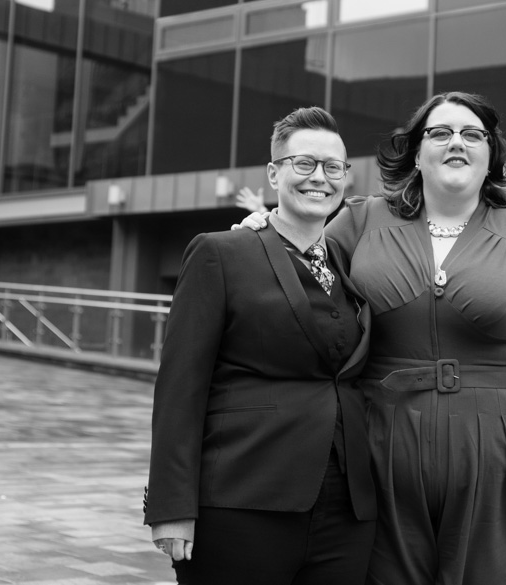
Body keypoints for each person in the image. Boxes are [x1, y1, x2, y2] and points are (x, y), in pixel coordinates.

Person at [242, 92, 506, 585]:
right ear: (416, 152)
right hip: (380, 448)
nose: (456, 143)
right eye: (440, 132)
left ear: (491, 153)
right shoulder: (361, 220)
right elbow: (297, 267)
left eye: (472, 134)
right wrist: (263, 228)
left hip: (499, 451)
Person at [145, 107, 377, 585]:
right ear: (274, 173)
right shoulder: (221, 253)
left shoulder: (348, 261)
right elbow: (180, 387)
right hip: (241, 501)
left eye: (333, 167)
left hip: (345, 513)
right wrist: (171, 506)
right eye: (304, 163)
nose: (320, 177)